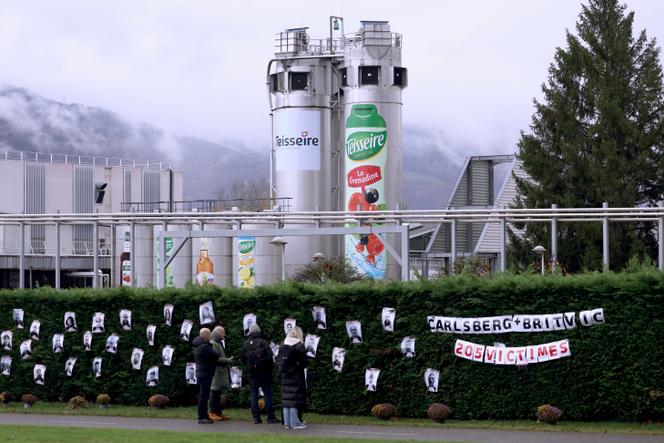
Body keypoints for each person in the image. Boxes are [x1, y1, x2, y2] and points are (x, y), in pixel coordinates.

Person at [241, 324, 279, 425]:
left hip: (252, 373)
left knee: (253, 395)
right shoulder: (263, 342)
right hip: (264, 373)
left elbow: (243, 359)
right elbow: (270, 357)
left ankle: (256, 418)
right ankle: (270, 417)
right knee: (267, 394)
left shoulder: (246, 344)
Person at [278, 326, 308, 430]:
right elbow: (304, 361)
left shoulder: (282, 344)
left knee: (286, 398)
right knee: (294, 398)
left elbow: (278, 360)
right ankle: (295, 422)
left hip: (285, 375)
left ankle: (287, 423)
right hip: (296, 374)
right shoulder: (299, 345)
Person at [193, 327, 219, 424]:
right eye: (209, 334)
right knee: (204, 396)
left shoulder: (198, 346)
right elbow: (215, 355)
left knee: (203, 395)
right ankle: (202, 416)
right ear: (206, 335)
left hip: (201, 372)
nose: (210, 336)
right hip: (205, 373)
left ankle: (203, 415)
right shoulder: (204, 347)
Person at [209, 326, 233, 422]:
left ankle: (218, 413)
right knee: (214, 392)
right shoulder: (214, 344)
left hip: (220, 372)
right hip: (216, 372)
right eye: (223, 333)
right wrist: (228, 360)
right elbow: (215, 359)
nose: (224, 335)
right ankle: (212, 412)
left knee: (218, 393)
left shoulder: (217, 343)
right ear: (218, 333)